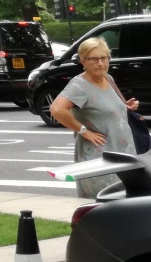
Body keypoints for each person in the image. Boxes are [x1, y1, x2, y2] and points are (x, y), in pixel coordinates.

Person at [49, 37, 140, 198]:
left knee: (127, 205)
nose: (100, 63)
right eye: (93, 59)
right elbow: (57, 109)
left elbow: (109, 106)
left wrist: (126, 106)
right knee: (103, 204)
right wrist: (84, 131)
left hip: (123, 153)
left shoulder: (107, 78)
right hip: (99, 159)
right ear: (83, 61)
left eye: (104, 58)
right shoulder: (79, 85)